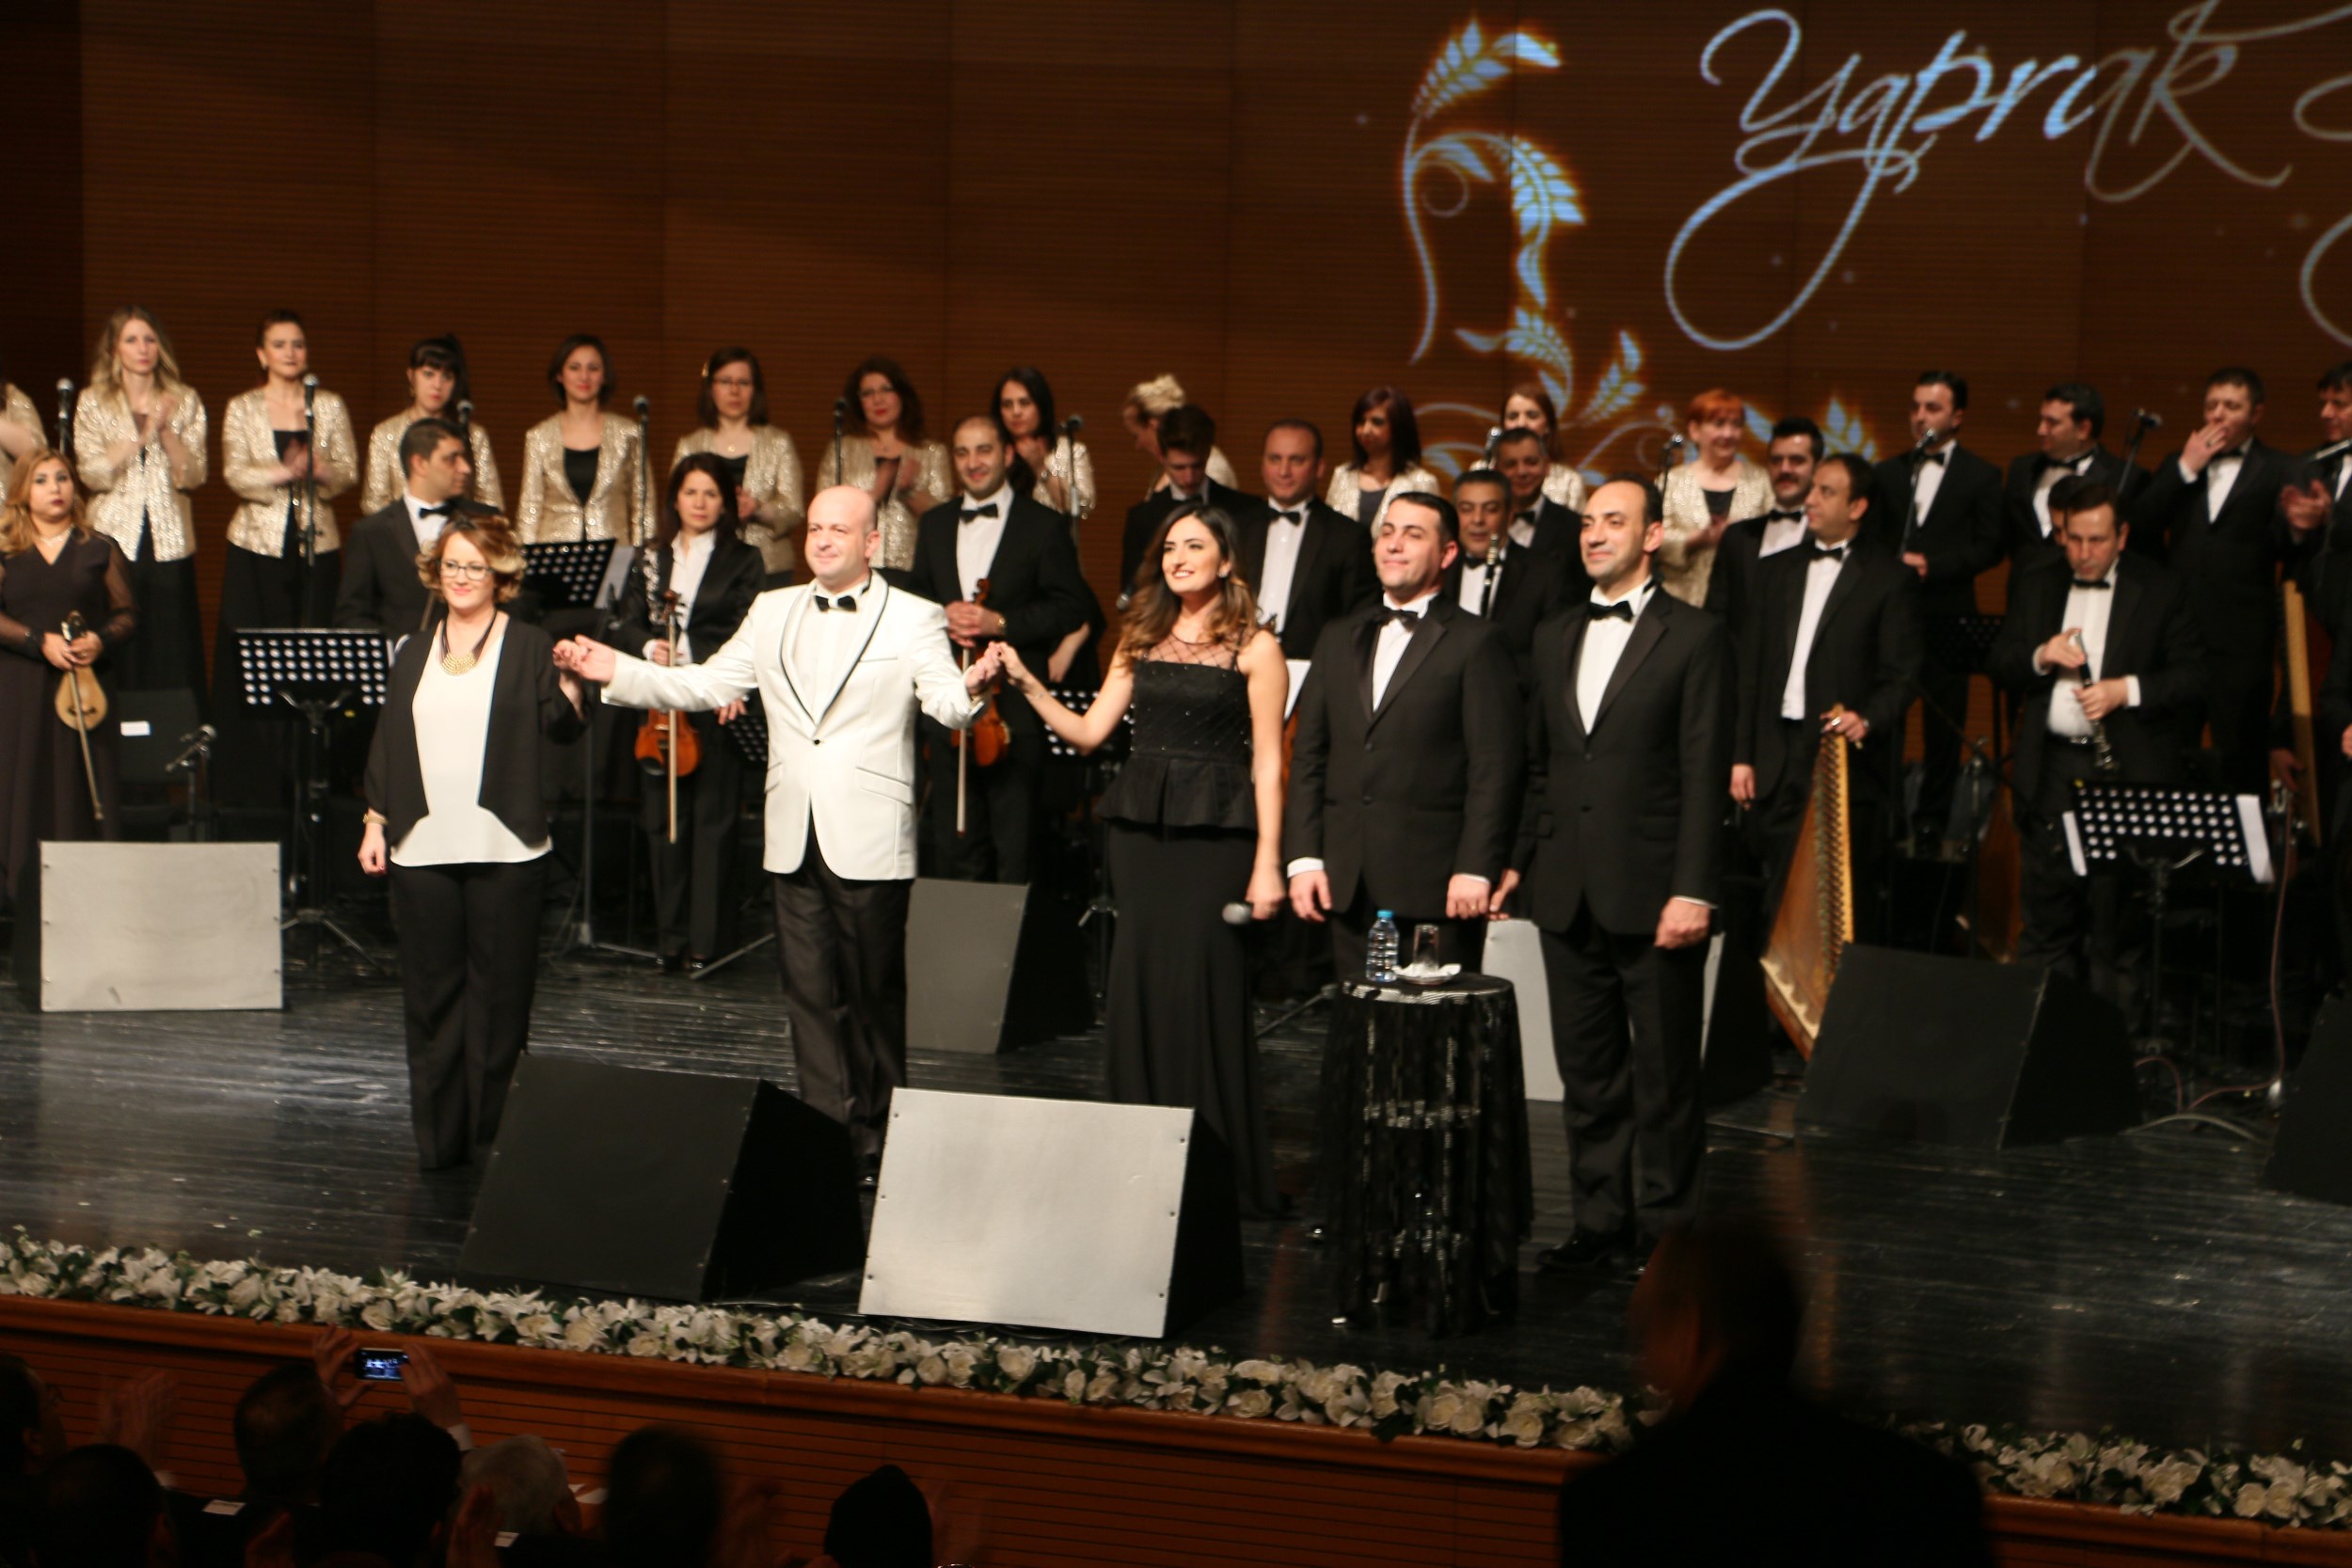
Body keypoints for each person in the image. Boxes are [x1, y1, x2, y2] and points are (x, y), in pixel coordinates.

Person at [556, 487, 1003, 1169]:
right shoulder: (771, 608)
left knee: (872, 996)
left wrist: (973, 688)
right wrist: (613, 669)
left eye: (839, 530)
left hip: (869, 832)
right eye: (815, 527)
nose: (822, 539)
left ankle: (880, 1138)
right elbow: (706, 685)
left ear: (872, 542)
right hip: (792, 828)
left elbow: (943, 701)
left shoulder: (913, 616)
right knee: (809, 997)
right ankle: (826, 1140)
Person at [996, 504, 1290, 1218]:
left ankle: (1217, 1167)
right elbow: (1090, 732)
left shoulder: (1256, 647)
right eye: (1169, 548)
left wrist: (1268, 863)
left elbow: (1269, 763)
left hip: (1218, 836)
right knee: (1138, 985)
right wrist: (1028, 683)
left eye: (1195, 545)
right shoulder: (1140, 636)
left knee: (1205, 988)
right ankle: (1137, 1164)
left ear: (1227, 561)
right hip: (1139, 836)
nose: (1178, 557)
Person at [1494, 476, 1729, 1270]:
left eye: (1614, 521)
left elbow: (1703, 774)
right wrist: (1518, 860)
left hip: (1657, 888)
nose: (1594, 534)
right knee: (1587, 1075)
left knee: (1665, 1077)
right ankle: (1599, 1224)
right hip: (1565, 885)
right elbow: (1539, 763)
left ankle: (1669, 1236)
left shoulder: (1695, 636)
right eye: (1588, 522)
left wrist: (1692, 888)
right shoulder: (1554, 631)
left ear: (1652, 536)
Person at [1552, 1217, 1991, 1566]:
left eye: (1645, 1334)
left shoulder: (1615, 1508)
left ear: (1688, 1331)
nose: (1642, 1362)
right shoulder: (1926, 1490)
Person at [358, 514, 587, 1170]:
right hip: (422, 845)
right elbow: (390, 738)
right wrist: (374, 820)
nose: (461, 577)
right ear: (436, 571)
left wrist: (573, 682)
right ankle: (440, 1144)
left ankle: (493, 1145)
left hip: (505, 846)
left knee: (499, 1004)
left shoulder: (528, 643)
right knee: (432, 1004)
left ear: (500, 576)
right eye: (452, 564)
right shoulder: (413, 648)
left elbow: (561, 728)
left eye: (475, 567)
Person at [1285, 492, 1520, 977]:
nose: (1394, 545)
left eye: (1413, 535)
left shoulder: (1478, 642)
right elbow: (1309, 755)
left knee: (1431, 1021)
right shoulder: (1337, 636)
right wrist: (1304, 858)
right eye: (1387, 533)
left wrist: (1476, 866)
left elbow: (1494, 766)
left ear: (1447, 553)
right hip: (1346, 881)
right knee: (1358, 1018)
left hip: (1436, 883)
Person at [1991, 483, 2201, 1019]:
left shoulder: (2161, 587)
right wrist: (2040, 655)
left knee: (2116, 923)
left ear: (2123, 536)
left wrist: (2124, 690)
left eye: (2097, 540)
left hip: (2126, 770)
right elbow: (2002, 660)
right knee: (2046, 914)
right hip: (2053, 767)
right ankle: (2042, 1038)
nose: (2084, 553)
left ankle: (2113, 1045)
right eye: (2074, 539)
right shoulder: (2038, 580)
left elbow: (2192, 677)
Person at [1733, 454, 1922, 941]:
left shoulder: (1888, 578)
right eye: (1813, 488)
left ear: (1857, 506)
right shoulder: (1774, 571)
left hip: (1841, 762)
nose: (1810, 499)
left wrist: (1867, 718)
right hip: (1775, 756)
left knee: (1836, 905)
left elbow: (1902, 676)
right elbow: (1750, 670)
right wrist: (1741, 757)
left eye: (1826, 492)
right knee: (1774, 900)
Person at [906, 415, 1092, 884]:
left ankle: (1013, 934)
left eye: (984, 450)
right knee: (954, 844)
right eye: (962, 452)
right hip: (948, 698)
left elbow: (1071, 608)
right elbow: (915, 600)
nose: (973, 462)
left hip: (1016, 706)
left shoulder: (1043, 525)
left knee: (1016, 847)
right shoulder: (935, 523)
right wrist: (941, 615)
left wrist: (1001, 622)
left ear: (1007, 455)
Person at [615, 453, 764, 970]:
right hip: (660, 703)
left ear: (725, 504)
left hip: (716, 697)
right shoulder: (649, 557)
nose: (699, 503)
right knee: (663, 821)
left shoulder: (745, 559)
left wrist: (690, 651)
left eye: (711, 494)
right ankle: (669, 938)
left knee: (713, 822)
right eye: (690, 492)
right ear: (674, 498)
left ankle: (706, 941)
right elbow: (625, 621)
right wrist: (647, 645)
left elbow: (747, 629)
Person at [2129, 368, 2305, 793]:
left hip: (2242, 643)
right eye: (2211, 405)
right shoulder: (2178, 463)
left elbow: (2287, 547)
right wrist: (2184, 469)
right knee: (2170, 754)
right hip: (2180, 638)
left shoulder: (2280, 467)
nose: (2218, 414)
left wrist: (2301, 527)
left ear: (2256, 414)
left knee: (2241, 759)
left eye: (2232, 406)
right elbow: (2139, 527)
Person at [214, 310, 358, 805]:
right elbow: (234, 473)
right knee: (253, 657)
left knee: (313, 655)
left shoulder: (329, 405)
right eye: (279, 344)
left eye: (298, 344)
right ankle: (252, 786)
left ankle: (313, 777)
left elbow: (349, 472)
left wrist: (319, 470)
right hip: (255, 546)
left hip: (317, 543)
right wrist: (283, 471)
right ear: (262, 354)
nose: (291, 353)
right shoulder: (242, 406)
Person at [1871, 372, 2002, 852]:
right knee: (1888, 718)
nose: (1920, 417)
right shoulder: (1887, 473)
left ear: (1957, 416)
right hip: (1892, 617)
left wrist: (1935, 565)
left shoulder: (1981, 475)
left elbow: (1990, 545)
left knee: (1944, 724)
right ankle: (1889, 818)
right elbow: (1872, 540)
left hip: (1948, 613)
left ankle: (1932, 821)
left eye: (1933, 408)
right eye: (1916, 407)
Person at [0, 450, 135, 901]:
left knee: (82, 782)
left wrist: (100, 639)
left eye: (62, 478)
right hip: (21, 686)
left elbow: (127, 614)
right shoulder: (7, 550)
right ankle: (20, 895)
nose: (55, 488)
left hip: (84, 686)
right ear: (22, 491)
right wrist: (37, 640)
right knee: (24, 779)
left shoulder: (98, 547)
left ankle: (92, 893)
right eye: (41, 480)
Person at [70, 306, 206, 704]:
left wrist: (165, 432)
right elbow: (91, 473)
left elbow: (194, 475)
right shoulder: (93, 401)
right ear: (115, 350)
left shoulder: (184, 399)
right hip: (112, 536)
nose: (143, 348)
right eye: (131, 340)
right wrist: (137, 439)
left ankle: (173, 731)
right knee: (115, 631)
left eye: (149, 339)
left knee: (169, 638)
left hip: (169, 538)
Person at [1230, 419, 1376, 660]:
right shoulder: (1235, 528)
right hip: (1236, 661)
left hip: (1313, 669)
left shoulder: (1347, 537)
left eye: (1296, 460)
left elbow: (1359, 620)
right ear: (1262, 464)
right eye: (1274, 459)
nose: (1283, 471)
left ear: (1319, 467)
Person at [672, 346, 804, 588]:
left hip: (769, 565)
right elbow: (676, 502)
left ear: (755, 389)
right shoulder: (690, 445)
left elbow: (794, 509)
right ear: (711, 387)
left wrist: (757, 508)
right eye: (725, 381)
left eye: (743, 382)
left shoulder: (778, 442)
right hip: (705, 565)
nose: (734, 391)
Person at [335, 418, 473, 638]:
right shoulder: (371, 532)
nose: (465, 468)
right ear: (419, 464)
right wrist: (396, 648)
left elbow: (512, 599)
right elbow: (353, 614)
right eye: (451, 459)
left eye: (463, 458)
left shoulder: (482, 521)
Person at [812, 356, 949, 575]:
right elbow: (824, 512)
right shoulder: (842, 449)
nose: (878, 400)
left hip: (914, 567)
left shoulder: (931, 451)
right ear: (858, 402)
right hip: (854, 564)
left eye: (886, 390)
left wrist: (910, 493)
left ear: (902, 395)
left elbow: (945, 521)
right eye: (868, 393)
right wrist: (873, 495)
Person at [515, 334, 650, 546]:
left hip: (614, 554)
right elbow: (530, 507)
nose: (584, 376)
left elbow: (643, 504)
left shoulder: (629, 434)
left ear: (604, 376)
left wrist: (643, 556)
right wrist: (525, 560)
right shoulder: (539, 436)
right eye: (574, 368)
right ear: (559, 375)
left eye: (593, 368)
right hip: (554, 555)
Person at [1445, 466, 1574, 687]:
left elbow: (1550, 659)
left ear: (1509, 516)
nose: (1477, 519)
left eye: (1490, 509)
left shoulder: (1545, 574)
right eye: (1466, 509)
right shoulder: (1439, 568)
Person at [1704, 416, 1820, 644]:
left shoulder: (1828, 537)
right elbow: (1716, 617)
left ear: (1818, 466)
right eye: (1776, 460)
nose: (1784, 469)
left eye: (1796, 460)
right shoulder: (1737, 537)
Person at [360, 333, 503, 515]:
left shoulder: (474, 435)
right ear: (411, 376)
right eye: (428, 374)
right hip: (401, 530)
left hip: (460, 530)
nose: (437, 385)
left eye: (447, 377)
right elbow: (373, 503)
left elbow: (492, 503)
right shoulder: (385, 433)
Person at [2001, 382, 2136, 573]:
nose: (2041, 430)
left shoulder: (2124, 477)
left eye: (2052, 422)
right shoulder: (2021, 469)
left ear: (2083, 429)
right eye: (2041, 420)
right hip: (2025, 585)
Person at [1659, 389, 1771, 611]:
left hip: (1744, 602)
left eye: (1736, 424)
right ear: (1695, 430)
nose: (1728, 434)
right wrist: (1698, 539)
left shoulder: (1761, 480)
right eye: (1719, 424)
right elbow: (1654, 537)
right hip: (1682, 603)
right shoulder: (1671, 481)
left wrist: (1740, 538)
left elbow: (1776, 538)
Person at [1120, 404, 1254, 589]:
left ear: (1208, 454)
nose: (1189, 477)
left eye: (1197, 466)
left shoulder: (1245, 510)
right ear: (1162, 457)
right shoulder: (1142, 518)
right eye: (1179, 467)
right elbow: (1133, 590)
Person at [2280, 359, 2352, 633]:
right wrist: (2296, 527)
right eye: (2323, 403)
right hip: (2310, 617)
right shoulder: (2308, 465)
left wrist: (2330, 517)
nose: (2325, 413)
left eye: (2339, 404)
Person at [1326, 386, 1440, 534]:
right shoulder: (1342, 475)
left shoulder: (1421, 482)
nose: (1366, 430)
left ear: (1399, 427)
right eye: (1361, 422)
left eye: (1377, 422)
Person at [994, 366, 1093, 526]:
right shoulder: (992, 452)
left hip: (1053, 539)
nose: (1016, 412)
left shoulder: (1070, 450)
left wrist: (1041, 469)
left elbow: (1082, 505)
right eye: (1007, 405)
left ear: (1041, 406)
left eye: (1024, 403)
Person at [1122, 372, 1237, 495]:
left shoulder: (1211, 468)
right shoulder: (1163, 467)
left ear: (1153, 426)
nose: (1138, 446)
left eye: (1136, 436)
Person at [1493, 427, 1581, 562]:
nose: (1521, 472)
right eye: (1510, 464)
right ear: (1496, 470)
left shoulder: (1573, 527)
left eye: (1531, 462)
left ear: (1547, 466)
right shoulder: (1481, 523)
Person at [1501, 381, 1589, 511]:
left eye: (1532, 416)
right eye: (1513, 416)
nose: (1521, 423)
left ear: (1547, 425)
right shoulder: (1481, 471)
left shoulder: (1570, 482)